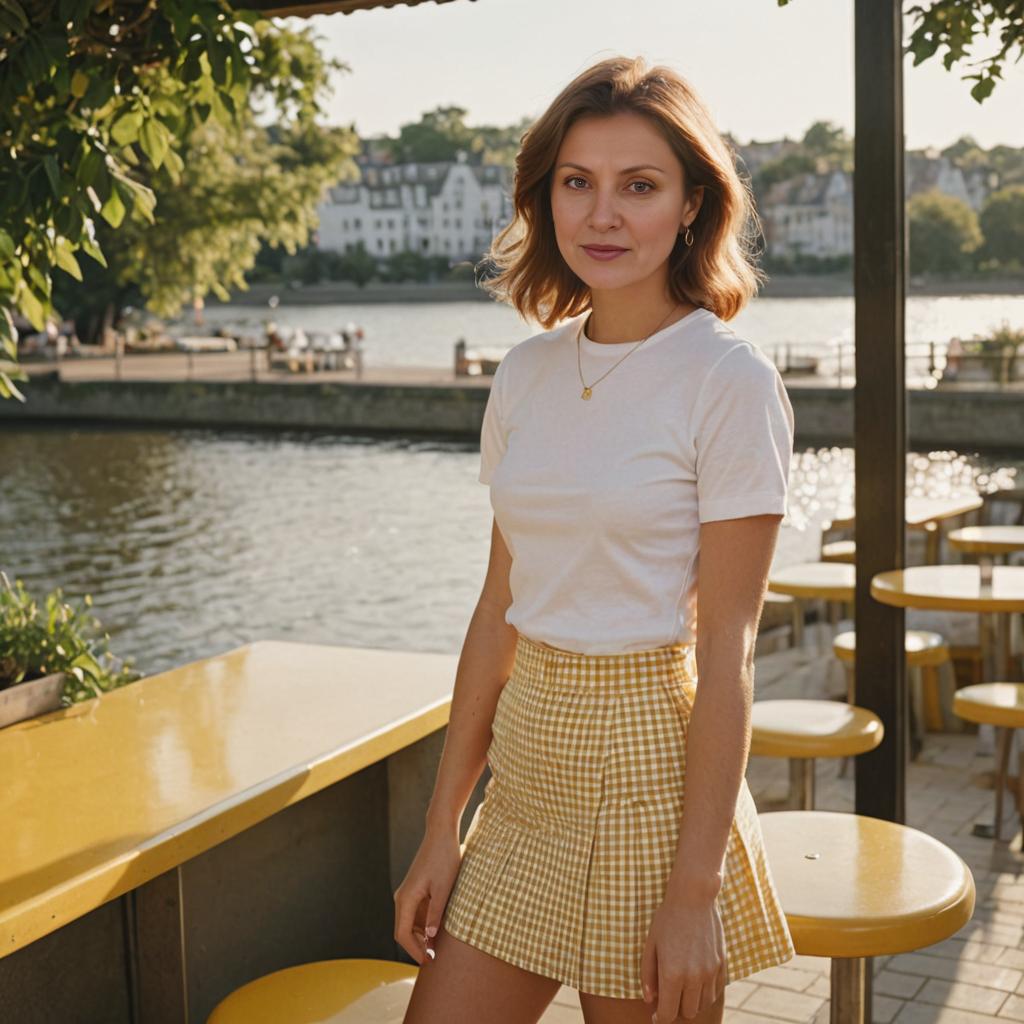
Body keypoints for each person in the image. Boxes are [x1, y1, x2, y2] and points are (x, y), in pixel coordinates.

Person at [394, 55, 796, 1024]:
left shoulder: (726, 381)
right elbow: (499, 610)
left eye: (639, 185)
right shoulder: (525, 373)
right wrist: (441, 827)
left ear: (693, 203)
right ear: (545, 197)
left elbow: (728, 646)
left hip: (652, 777)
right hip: (527, 774)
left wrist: (693, 891)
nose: (602, 214)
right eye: (577, 182)